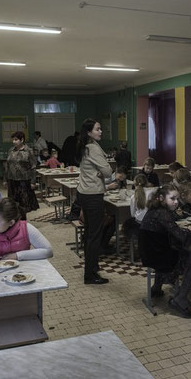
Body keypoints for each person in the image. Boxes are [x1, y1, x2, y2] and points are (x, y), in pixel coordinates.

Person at [138, 185, 191, 318]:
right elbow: (182, 236)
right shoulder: (163, 213)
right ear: (161, 198)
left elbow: (166, 228)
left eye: (177, 198)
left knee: (172, 246)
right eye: (172, 198)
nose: (176, 201)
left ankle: (156, 288)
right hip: (157, 256)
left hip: (148, 252)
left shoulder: (156, 209)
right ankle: (180, 298)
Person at [76, 118, 112, 285]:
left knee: (90, 233)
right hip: (92, 195)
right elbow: (108, 171)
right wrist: (101, 171)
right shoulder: (93, 148)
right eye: (98, 129)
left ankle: (93, 267)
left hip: (84, 193)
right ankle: (90, 275)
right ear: (89, 132)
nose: (101, 131)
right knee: (94, 236)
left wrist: (99, 171)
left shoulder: (85, 146)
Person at [6, 131, 40, 215]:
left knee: (23, 204)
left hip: (24, 181)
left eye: (16, 139)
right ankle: (15, 222)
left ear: (22, 140)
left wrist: (33, 181)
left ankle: (22, 223)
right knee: (13, 204)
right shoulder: (11, 150)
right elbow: (7, 166)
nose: (13, 141)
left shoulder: (28, 151)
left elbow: (33, 167)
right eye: (13, 140)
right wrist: (5, 180)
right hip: (12, 180)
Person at [122, 174, 157, 239]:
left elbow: (132, 214)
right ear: (147, 182)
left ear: (134, 184)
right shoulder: (153, 193)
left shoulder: (134, 197)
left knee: (127, 224)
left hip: (140, 223)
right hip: (152, 222)